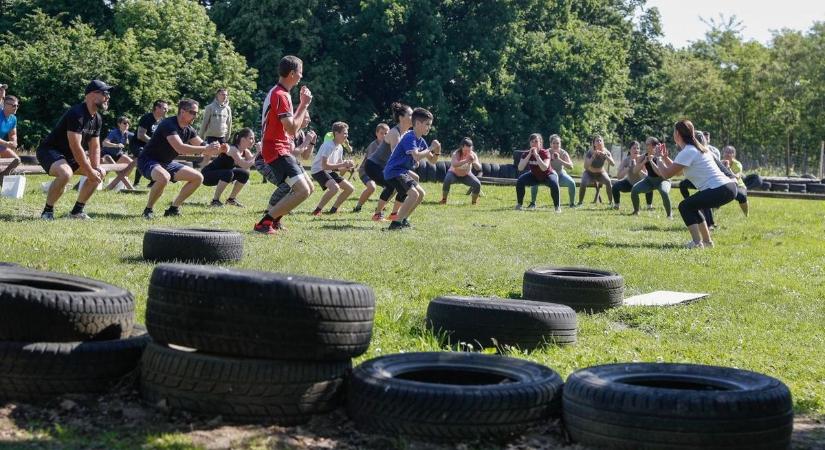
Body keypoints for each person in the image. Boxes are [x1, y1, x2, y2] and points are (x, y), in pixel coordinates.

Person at [650, 119, 737, 248]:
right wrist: (663, 158)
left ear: (678, 134)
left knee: (685, 206)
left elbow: (667, 174)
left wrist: (657, 158)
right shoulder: (693, 149)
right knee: (692, 206)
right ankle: (707, 242)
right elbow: (678, 171)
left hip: (721, 188)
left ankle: (697, 243)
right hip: (727, 188)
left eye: (674, 131)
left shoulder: (688, 151)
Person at [253, 55, 314, 235]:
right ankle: (265, 223)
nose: (302, 77)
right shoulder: (280, 95)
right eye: (300, 73)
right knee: (302, 190)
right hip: (275, 149)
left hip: (280, 148)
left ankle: (275, 220)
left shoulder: (280, 93)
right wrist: (303, 104)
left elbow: (290, 128)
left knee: (309, 188)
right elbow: (291, 128)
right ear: (293, 73)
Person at [35, 80, 113, 220]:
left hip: (70, 156)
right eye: (105, 93)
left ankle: (77, 212)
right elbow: (75, 146)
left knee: (100, 172)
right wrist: (89, 171)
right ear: (92, 95)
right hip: (50, 150)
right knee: (65, 173)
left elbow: (95, 146)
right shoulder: (77, 113)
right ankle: (47, 212)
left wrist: (95, 168)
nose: (108, 97)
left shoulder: (97, 119)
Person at [137, 99, 226, 219]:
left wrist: (219, 149)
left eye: (196, 113)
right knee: (164, 177)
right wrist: (206, 148)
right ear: (182, 111)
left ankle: (173, 209)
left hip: (166, 163)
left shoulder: (189, 129)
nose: (195, 116)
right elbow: (180, 147)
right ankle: (148, 210)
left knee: (198, 177)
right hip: (148, 160)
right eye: (192, 112)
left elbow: (201, 145)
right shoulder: (168, 124)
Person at [254, 113, 317, 229]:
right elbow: (290, 154)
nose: (309, 120)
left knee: (308, 187)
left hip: (286, 162)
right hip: (265, 162)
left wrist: (312, 143)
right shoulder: (288, 132)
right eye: (307, 117)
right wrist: (307, 141)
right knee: (287, 186)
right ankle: (268, 216)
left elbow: (306, 156)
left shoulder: (301, 134)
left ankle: (274, 219)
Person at [383, 107, 440, 230]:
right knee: (414, 194)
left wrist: (437, 151)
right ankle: (395, 224)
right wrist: (430, 148)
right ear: (418, 123)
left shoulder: (421, 140)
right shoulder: (410, 137)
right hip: (394, 171)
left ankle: (403, 220)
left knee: (420, 194)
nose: (429, 127)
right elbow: (417, 156)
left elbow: (433, 161)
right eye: (427, 124)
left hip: (401, 171)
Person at [364, 102, 414, 221]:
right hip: (373, 166)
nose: (414, 118)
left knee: (403, 186)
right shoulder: (394, 133)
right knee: (392, 185)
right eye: (411, 115)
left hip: (386, 167)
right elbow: (396, 156)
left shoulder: (406, 133)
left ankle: (394, 214)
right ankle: (377, 215)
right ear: (401, 117)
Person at [202, 127, 256, 207]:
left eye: (253, 139)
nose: (253, 141)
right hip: (207, 176)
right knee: (228, 173)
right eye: (251, 138)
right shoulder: (233, 149)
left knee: (245, 174)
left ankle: (231, 199)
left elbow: (253, 163)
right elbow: (244, 164)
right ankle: (215, 201)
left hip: (223, 174)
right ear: (243, 139)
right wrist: (258, 153)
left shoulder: (245, 151)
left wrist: (261, 153)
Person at [310, 121, 355, 215]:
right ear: (336, 133)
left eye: (347, 133)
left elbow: (338, 169)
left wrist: (346, 166)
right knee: (335, 188)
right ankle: (317, 211)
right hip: (318, 170)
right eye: (345, 133)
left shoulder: (340, 147)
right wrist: (343, 164)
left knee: (350, 188)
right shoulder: (328, 145)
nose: (346, 136)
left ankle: (333, 210)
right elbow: (324, 166)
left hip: (328, 170)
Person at [515, 133, 561, 212]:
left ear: (540, 143)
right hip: (535, 176)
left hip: (548, 175)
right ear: (530, 143)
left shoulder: (545, 153)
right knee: (520, 181)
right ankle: (519, 204)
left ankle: (557, 207)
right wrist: (529, 154)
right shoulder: (526, 153)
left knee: (554, 183)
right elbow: (520, 168)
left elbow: (544, 168)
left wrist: (536, 155)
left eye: (536, 141)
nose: (534, 144)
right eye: (532, 142)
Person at [527, 134, 575, 208]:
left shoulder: (563, 153)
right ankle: (533, 203)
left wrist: (559, 159)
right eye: (553, 143)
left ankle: (572, 204)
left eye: (557, 143)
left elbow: (571, 167)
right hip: (547, 176)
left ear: (560, 144)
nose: (555, 145)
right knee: (534, 182)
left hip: (560, 175)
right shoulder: (546, 152)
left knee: (571, 183)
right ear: (550, 144)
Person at [630, 137, 673, 218]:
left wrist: (651, 161)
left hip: (663, 180)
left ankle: (669, 215)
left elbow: (659, 173)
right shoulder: (643, 156)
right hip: (650, 181)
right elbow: (635, 171)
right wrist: (644, 162)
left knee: (664, 192)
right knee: (634, 190)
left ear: (653, 146)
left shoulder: (660, 157)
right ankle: (636, 211)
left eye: (647, 144)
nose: (645, 146)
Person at [353, 123, 389, 212]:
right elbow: (371, 163)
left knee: (392, 185)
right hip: (366, 171)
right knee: (371, 187)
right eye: (381, 133)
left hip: (380, 171)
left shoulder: (389, 145)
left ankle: (381, 206)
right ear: (376, 133)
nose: (384, 135)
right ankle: (358, 206)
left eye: (386, 133)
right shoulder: (373, 145)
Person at [133, 100, 169, 186]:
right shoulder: (147, 118)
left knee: (161, 156)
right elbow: (140, 135)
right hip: (137, 145)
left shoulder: (161, 121)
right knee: (144, 156)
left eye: (167, 109)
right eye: (164, 108)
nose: (166, 110)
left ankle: (152, 183)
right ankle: (136, 183)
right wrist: (154, 143)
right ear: (157, 108)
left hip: (150, 146)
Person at [611, 141, 653, 211]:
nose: (636, 150)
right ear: (629, 150)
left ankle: (649, 206)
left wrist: (638, 168)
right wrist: (629, 167)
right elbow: (619, 176)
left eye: (638, 148)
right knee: (615, 187)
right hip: (629, 183)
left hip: (641, 184)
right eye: (634, 148)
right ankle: (616, 205)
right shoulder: (626, 160)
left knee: (649, 185)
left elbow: (646, 176)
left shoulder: (643, 159)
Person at [441, 137, 482, 205]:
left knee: (477, 184)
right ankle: (444, 200)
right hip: (454, 174)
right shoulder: (456, 153)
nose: (467, 152)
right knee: (447, 179)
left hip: (466, 175)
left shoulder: (473, 155)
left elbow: (479, 168)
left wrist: (474, 162)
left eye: (469, 150)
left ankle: (474, 202)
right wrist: (466, 161)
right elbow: (454, 164)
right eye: (466, 150)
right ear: (462, 147)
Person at [198, 88, 233, 167]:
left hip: (222, 137)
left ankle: (220, 175)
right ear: (217, 95)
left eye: (226, 95)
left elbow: (229, 123)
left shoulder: (228, 109)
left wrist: (228, 137)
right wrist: (200, 137)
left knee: (224, 157)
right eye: (223, 94)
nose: (225, 96)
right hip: (211, 136)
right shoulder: (210, 107)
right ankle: (203, 175)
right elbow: (204, 123)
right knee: (207, 157)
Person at [101, 116, 137, 190]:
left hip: (117, 155)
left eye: (128, 123)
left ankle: (119, 181)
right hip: (106, 155)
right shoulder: (114, 132)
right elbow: (104, 143)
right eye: (124, 123)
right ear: (119, 124)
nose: (126, 124)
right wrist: (116, 145)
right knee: (103, 173)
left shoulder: (128, 134)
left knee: (130, 164)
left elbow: (138, 138)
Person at [578, 135, 615, 207]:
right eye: (597, 141)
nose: (599, 142)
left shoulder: (606, 151)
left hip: (601, 173)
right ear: (594, 143)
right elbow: (585, 167)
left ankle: (611, 203)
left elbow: (613, 164)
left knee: (608, 181)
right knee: (583, 182)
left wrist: (606, 156)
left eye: (600, 140)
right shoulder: (590, 152)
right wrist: (593, 157)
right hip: (589, 173)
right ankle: (580, 203)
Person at [722, 145, 748, 217]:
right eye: (726, 152)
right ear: (723, 153)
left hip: (738, 185)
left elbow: (737, 177)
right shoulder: (720, 162)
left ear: (734, 154)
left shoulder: (737, 164)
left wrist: (728, 168)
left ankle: (746, 215)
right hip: (725, 184)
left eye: (730, 152)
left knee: (742, 196)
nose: (727, 154)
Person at [0, 95, 21, 180]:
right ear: (5, 105)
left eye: (17, 105)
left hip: (1, 145)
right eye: (13, 105)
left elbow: (13, 134)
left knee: (16, 160)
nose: (15, 107)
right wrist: (6, 143)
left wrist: (14, 142)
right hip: (2, 144)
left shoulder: (13, 119)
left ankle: (2, 177)